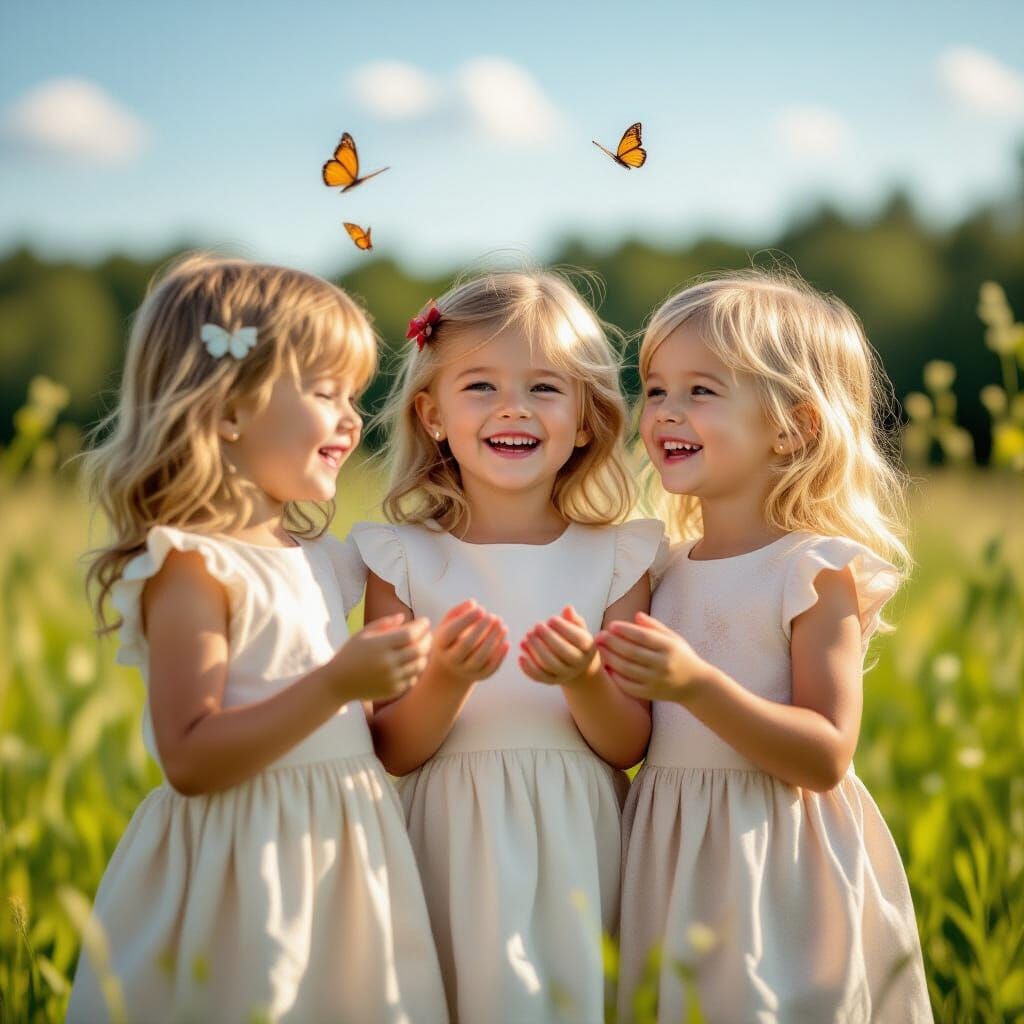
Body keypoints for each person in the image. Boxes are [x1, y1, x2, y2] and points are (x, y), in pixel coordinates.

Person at [67, 253, 447, 1024]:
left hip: (339, 855)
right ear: (231, 409)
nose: (350, 418)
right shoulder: (195, 567)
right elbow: (192, 758)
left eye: (354, 394)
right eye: (323, 391)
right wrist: (338, 683)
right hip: (245, 868)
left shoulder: (325, 562)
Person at [606, 269, 932, 1022]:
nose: (665, 413)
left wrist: (696, 685)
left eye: (702, 392)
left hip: (774, 861)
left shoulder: (812, 572)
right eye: (655, 389)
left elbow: (824, 755)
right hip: (673, 855)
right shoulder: (657, 567)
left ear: (793, 427)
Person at [350, 270, 666, 1023]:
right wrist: (448, 679)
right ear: (431, 415)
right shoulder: (401, 559)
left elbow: (628, 741)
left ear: (588, 420)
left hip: (579, 837)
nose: (513, 407)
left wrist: (586, 675)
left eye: (545, 389)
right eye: (480, 386)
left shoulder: (617, 558)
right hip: (449, 838)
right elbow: (393, 748)